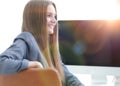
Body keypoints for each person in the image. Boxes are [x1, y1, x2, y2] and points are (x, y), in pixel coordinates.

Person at [0, 0, 84, 86]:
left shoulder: (50, 47)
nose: (54, 21)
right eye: (49, 15)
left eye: (55, 16)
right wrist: (33, 64)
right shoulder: (27, 38)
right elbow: (1, 62)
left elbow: (66, 75)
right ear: (35, 18)